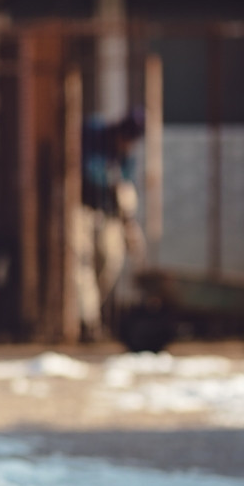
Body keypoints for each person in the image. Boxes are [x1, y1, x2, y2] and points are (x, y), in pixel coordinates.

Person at [74, 107, 146, 340]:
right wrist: (108, 180)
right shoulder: (93, 133)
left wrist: (129, 223)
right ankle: (88, 321)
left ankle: (89, 311)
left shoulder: (126, 156)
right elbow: (83, 168)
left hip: (109, 213)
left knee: (110, 260)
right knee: (81, 262)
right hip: (82, 207)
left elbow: (125, 188)